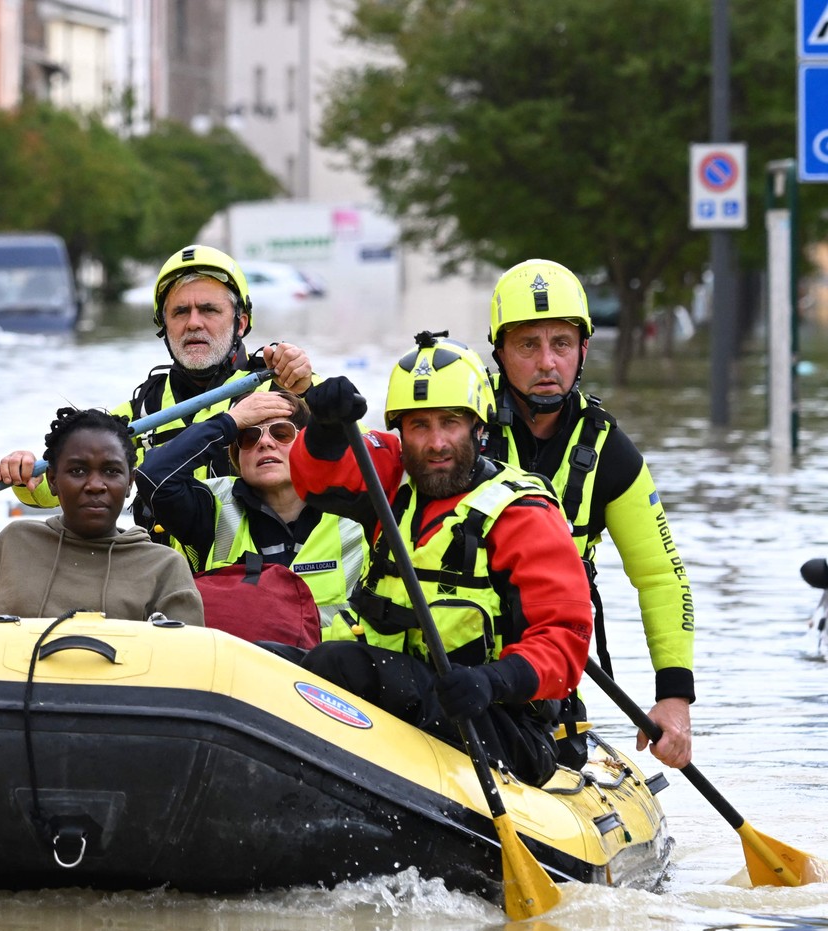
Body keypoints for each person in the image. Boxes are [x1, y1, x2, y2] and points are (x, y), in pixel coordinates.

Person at [288, 335, 593, 787]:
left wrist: (492, 681)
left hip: (498, 720)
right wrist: (326, 430)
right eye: (419, 426)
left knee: (337, 665)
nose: (435, 443)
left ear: (478, 428)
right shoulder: (392, 480)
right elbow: (316, 478)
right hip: (409, 698)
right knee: (287, 663)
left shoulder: (523, 516)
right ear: (401, 434)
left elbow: (564, 643)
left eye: (450, 423)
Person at [483, 259, 694, 770]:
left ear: (583, 350)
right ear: (500, 353)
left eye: (561, 343)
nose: (547, 362)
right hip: (454, 653)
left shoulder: (612, 453)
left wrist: (674, 698)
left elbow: (661, 577)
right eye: (528, 345)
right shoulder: (457, 426)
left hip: (546, 672)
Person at [0, 245, 298, 537]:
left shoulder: (285, 389)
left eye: (208, 310)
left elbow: (340, 438)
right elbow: (55, 490)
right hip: (165, 576)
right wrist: (26, 474)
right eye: (180, 312)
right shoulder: (141, 412)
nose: (193, 323)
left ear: (241, 323)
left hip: (259, 573)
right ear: (163, 325)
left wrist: (306, 385)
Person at [132, 385, 366, 627]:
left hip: (326, 663)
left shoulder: (356, 509)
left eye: (281, 433)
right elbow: (154, 476)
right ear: (237, 457)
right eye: (249, 437)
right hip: (237, 663)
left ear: (308, 445)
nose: (264, 442)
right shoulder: (212, 508)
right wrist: (230, 422)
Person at [0, 407, 205, 625]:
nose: (95, 485)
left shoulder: (164, 568)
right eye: (78, 470)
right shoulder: (13, 546)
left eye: (111, 471)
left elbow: (189, 668)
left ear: (130, 483)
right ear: (52, 480)